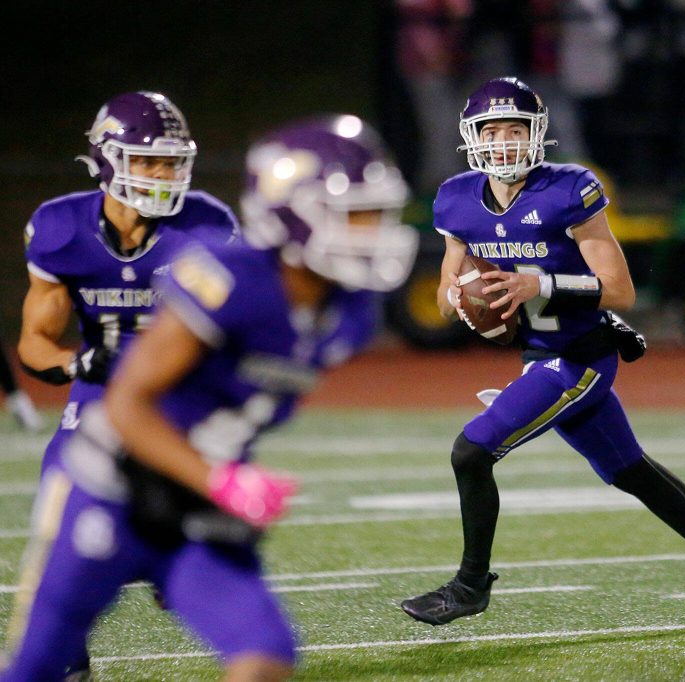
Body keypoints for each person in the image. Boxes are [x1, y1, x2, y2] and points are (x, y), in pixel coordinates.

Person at [0, 115, 419, 681]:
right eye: (356, 215)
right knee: (41, 668)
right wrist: (221, 480)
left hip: (195, 501)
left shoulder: (351, 313)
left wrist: (217, 479)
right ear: (292, 216)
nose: (373, 232)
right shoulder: (233, 280)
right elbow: (125, 406)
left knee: (265, 652)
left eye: (378, 215)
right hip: (111, 488)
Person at [400, 76, 685, 629]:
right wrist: (461, 297)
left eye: (514, 130)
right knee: (630, 471)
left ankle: (470, 586)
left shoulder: (568, 189)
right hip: (538, 355)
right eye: (491, 131)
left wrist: (539, 284)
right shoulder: (457, 199)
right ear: (472, 137)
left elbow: (620, 290)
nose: (503, 143)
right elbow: (444, 297)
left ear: (536, 134)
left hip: (579, 357)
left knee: (471, 451)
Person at [12, 90, 239, 679]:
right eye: (148, 160)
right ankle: (67, 662)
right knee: (58, 518)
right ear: (107, 160)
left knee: (192, 546)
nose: (163, 174)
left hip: (183, 397)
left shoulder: (207, 225)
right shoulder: (62, 227)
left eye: (172, 161)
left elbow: (237, 327)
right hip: (101, 391)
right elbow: (34, 342)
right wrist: (78, 365)